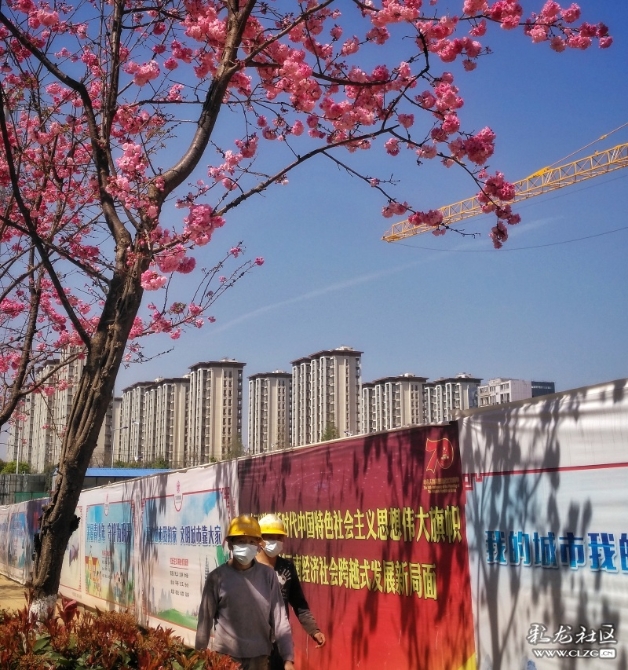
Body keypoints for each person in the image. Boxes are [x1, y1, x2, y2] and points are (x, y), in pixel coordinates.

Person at [195, 514, 295, 670]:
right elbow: (205, 620)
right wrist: (199, 656)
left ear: (258, 545)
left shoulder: (268, 575)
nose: (247, 546)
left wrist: (288, 658)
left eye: (252, 542)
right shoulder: (217, 578)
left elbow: (280, 619)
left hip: (260, 657)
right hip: (226, 658)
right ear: (230, 544)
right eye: (241, 541)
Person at [256, 514, 326, 670]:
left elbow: (299, 603)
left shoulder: (287, 568)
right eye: (269, 537)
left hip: (279, 643)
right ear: (259, 540)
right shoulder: (249, 569)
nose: (275, 541)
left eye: (278, 537)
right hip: (253, 645)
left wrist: (313, 630)